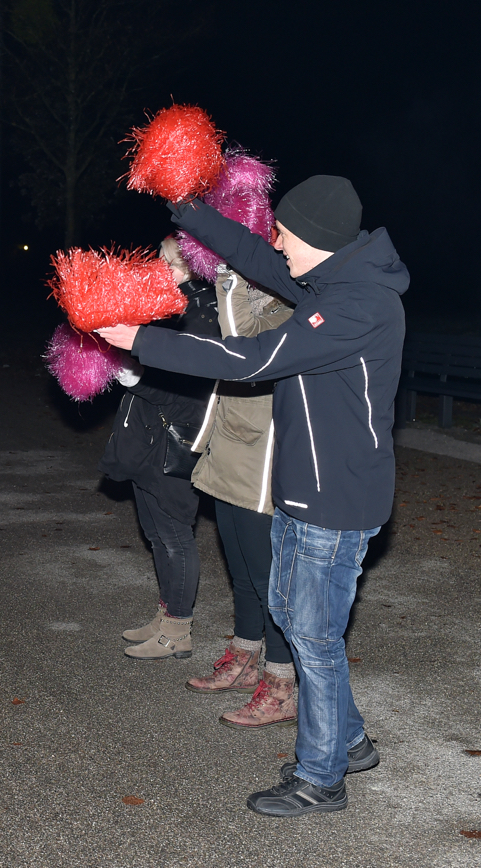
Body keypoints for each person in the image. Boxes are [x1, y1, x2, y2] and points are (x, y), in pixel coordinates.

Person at [98, 175, 409, 817]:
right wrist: (188, 210)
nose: (276, 241)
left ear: (318, 242)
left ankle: (320, 778)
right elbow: (256, 257)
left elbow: (253, 359)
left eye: (286, 233)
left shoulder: (356, 305)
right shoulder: (330, 279)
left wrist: (144, 341)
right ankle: (349, 742)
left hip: (336, 499)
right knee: (295, 619)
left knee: (314, 637)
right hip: (305, 488)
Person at [184, 266, 299, 729]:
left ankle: (281, 683)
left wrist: (230, 278)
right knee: (243, 573)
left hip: (260, 463)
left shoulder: (291, 309)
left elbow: (241, 346)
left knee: (270, 581)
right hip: (231, 450)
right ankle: (245, 657)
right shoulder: (264, 303)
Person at [100, 237, 219, 659]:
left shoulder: (202, 313)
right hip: (147, 439)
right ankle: (166, 613)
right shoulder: (166, 304)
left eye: (171, 263)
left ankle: (178, 630)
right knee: (155, 534)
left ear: (195, 267)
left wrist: (138, 380)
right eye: (160, 258)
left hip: (175, 445)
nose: (160, 268)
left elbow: (194, 398)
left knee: (175, 537)